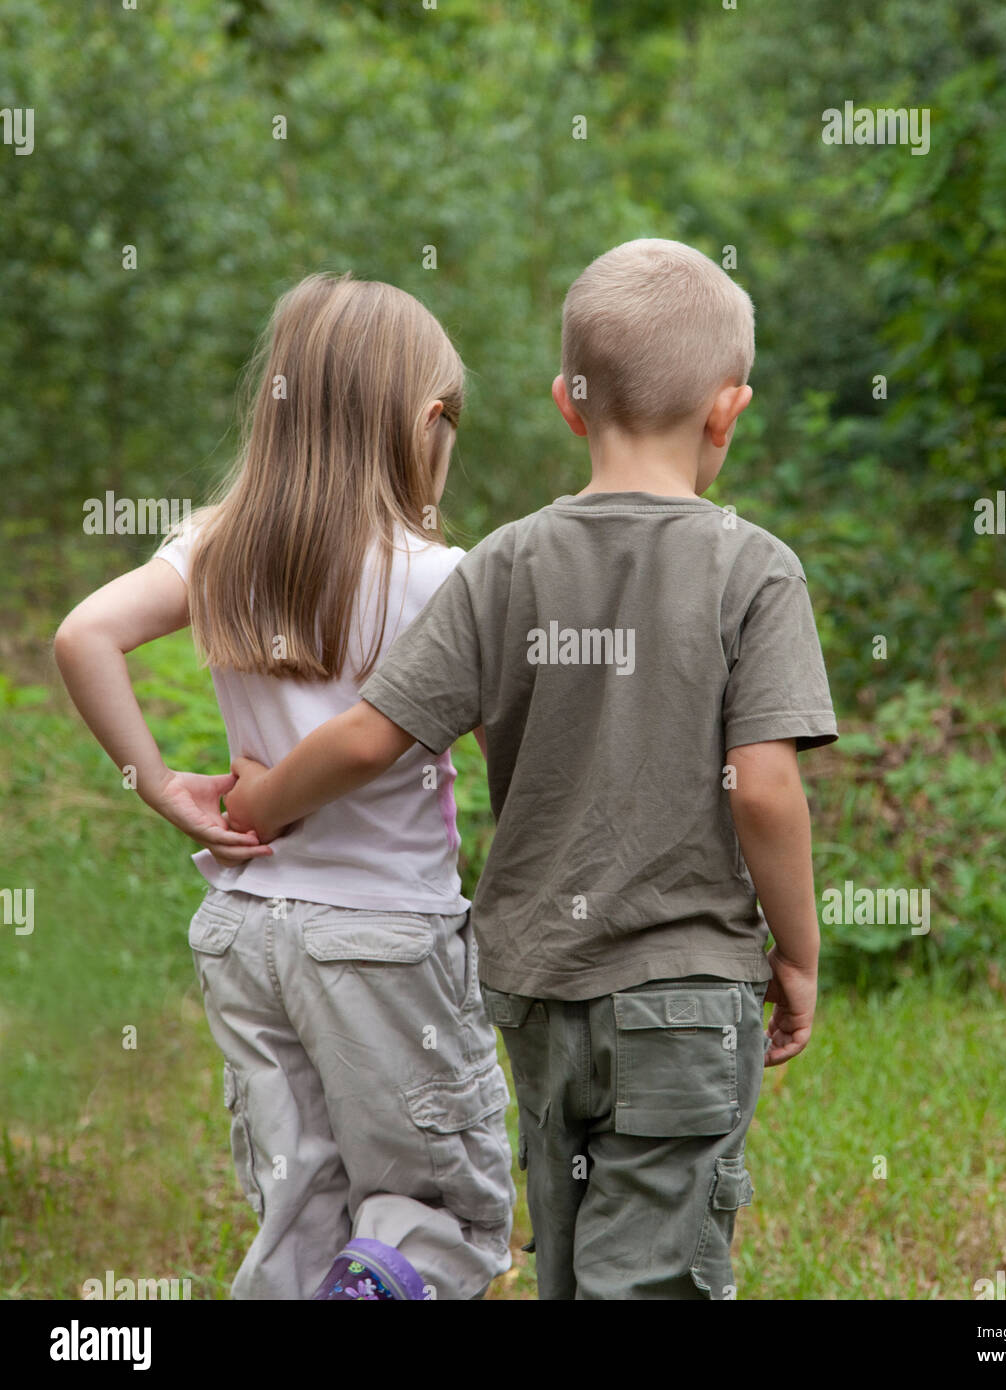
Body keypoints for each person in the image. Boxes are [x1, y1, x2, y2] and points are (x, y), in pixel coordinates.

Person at [224, 240, 838, 1300]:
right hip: (686, 988)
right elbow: (766, 787)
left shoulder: (505, 560)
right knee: (652, 1267)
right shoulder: (754, 566)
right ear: (727, 409)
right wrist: (799, 950)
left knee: (563, 1242)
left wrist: (258, 799)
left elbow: (375, 734)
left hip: (535, 988)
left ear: (567, 402)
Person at [54, 272, 514, 1301]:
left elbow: (84, 633)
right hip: (383, 935)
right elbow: (508, 749)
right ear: (428, 423)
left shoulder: (218, 545)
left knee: (297, 1193)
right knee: (442, 1203)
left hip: (246, 933)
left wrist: (160, 784)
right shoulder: (445, 579)